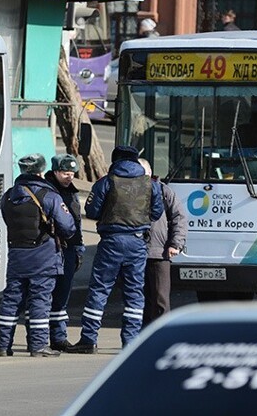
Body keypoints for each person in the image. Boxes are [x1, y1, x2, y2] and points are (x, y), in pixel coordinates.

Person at [67, 146, 164, 353]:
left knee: (100, 290)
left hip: (111, 242)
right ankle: (130, 342)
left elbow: (92, 211)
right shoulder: (150, 184)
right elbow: (156, 213)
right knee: (135, 293)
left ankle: (89, 340)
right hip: (138, 243)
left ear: (116, 159)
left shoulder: (106, 181)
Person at [0, 153, 75, 358]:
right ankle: (38, 346)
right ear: (41, 171)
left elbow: (7, 219)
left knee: (11, 300)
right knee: (40, 300)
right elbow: (68, 227)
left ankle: (4, 346)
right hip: (43, 258)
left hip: (16, 255)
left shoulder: (8, 196)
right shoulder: (49, 196)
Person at [44, 154, 86, 352]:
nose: (69, 177)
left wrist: (79, 248)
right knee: (45, 295)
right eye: (65, 173)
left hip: (69, 250)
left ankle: (59, 337)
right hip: (51, 249)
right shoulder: (47, 192)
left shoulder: (72, 192)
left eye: (72, 173)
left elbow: (77, 223)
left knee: (62, 295)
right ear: (54, 172)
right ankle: (41, 337)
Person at [140, 159, 188, 326]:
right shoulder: (129, 191)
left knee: (160, 299)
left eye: (143, 172)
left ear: (150, 172)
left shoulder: (164, 191)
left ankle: (162, 335)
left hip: (159, 253)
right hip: (135, 253)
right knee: (139, 300)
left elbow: (179, 218)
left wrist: (175, 244)